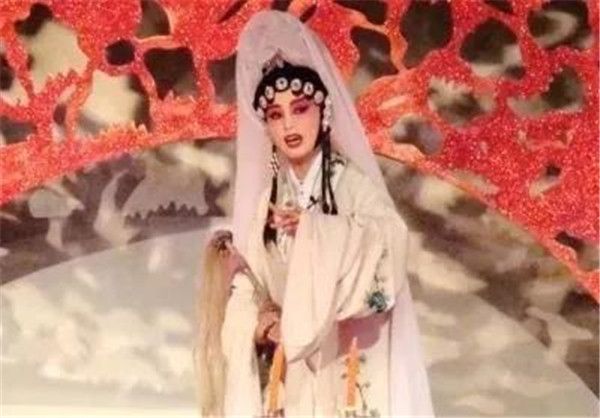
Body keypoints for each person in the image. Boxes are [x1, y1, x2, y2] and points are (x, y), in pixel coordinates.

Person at [219, 10, 435, 416]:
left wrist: (317, 233)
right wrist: (260, 323)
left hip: (347, 359)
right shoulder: (269, 200)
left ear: (323, 113)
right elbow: (248, 281)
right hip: (291, 377)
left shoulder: (351, 185)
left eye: (300, 108)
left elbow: (390, 244)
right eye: (276, 115)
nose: (289, 125)